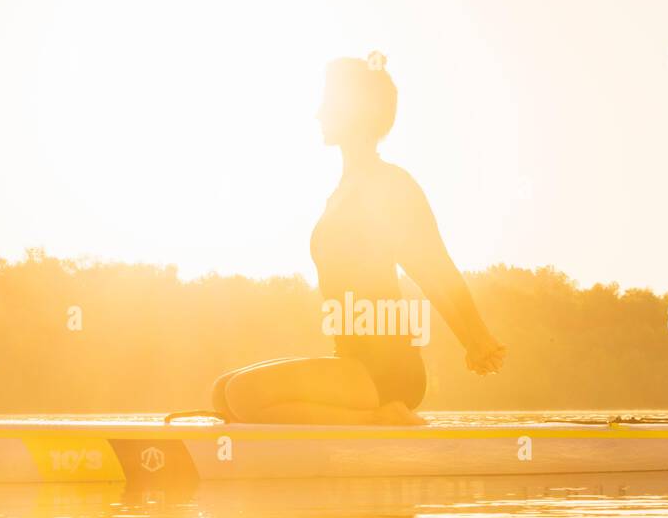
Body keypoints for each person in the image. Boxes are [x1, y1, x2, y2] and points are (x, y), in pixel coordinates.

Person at [212, 53, 505, 424]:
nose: (318, 114)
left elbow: (433, 267)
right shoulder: (342, 191)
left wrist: (476, 339)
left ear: (356, 112)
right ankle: (350, 417)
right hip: (351, 361)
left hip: (388, 372)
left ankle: (383, 418)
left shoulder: (389, 184)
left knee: (243, 394)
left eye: (328, 103)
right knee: (224, 391)